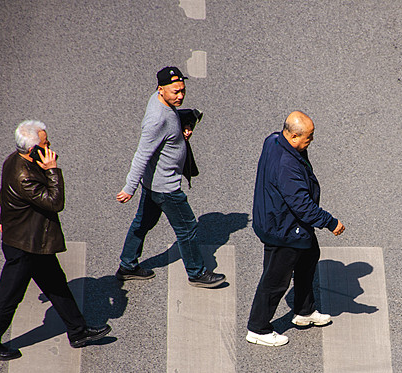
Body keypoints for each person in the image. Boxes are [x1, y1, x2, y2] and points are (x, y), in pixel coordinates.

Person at [0, 120, 111, 361]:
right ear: (32, 150)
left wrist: (3, 219)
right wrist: (52, 170)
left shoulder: (14, 160)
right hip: (24, 246)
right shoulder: (24, 175)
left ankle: (78, 331)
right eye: (45, 143)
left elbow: (3, 196)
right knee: (8, 297)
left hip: (35, 241)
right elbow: (55, 202)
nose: (49, 146)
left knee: (56, 284)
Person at [115, 67, 225, 288]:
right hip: (166, 187)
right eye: (176, 92)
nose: (180, 96)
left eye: (183, 90)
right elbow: (142, 154)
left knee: (143, 222)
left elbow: (168, 131)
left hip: (154, 182)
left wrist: (182, 128)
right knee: (187, 228)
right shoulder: (157, 119)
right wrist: (129, 187)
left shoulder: (160, 101)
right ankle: (196, 273)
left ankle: (127, 265)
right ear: (161, 89)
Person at [246, 111, 345, 347]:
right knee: (274, 280)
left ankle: (304, 311)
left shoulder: (273, 140)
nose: (311, 141)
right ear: (292, 136)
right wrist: (330, 222)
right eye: (308, 137)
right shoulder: (287, 165)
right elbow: (302, 205)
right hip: (283, 229)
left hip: (287, 223)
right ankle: (258, 328)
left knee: (309, 257)